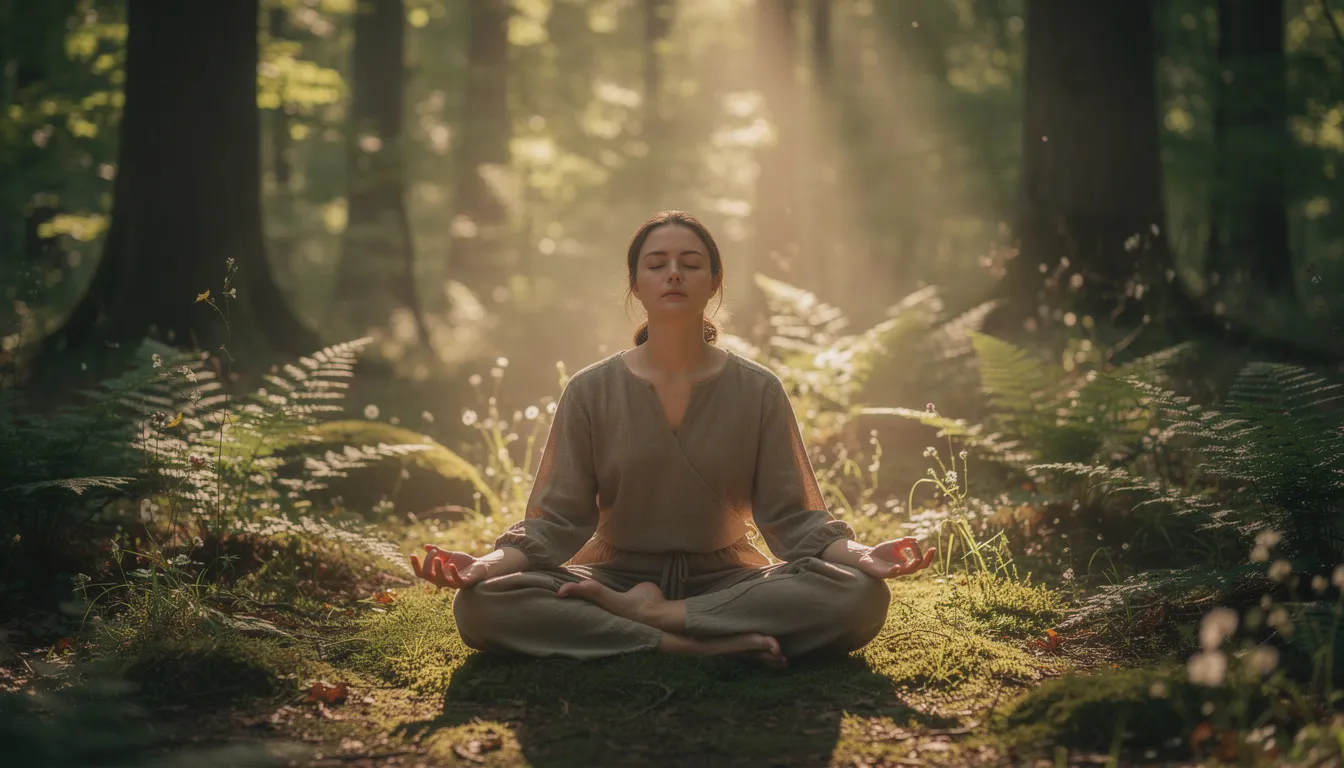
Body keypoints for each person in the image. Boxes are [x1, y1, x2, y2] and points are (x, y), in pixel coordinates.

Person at [410, 210, 936, 668]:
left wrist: (862, 554)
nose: (674, 274)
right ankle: (681, 645)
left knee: (860, 596)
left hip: (730, 583)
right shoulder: (591, 390)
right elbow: (556, 522)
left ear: (714, 282)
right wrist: (484, 565)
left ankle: (663, 619)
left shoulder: (759, 389)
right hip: (610, 579)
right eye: (657, 263)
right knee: (482, 605)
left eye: (690, 262)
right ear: (635, 284)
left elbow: (795, 517)